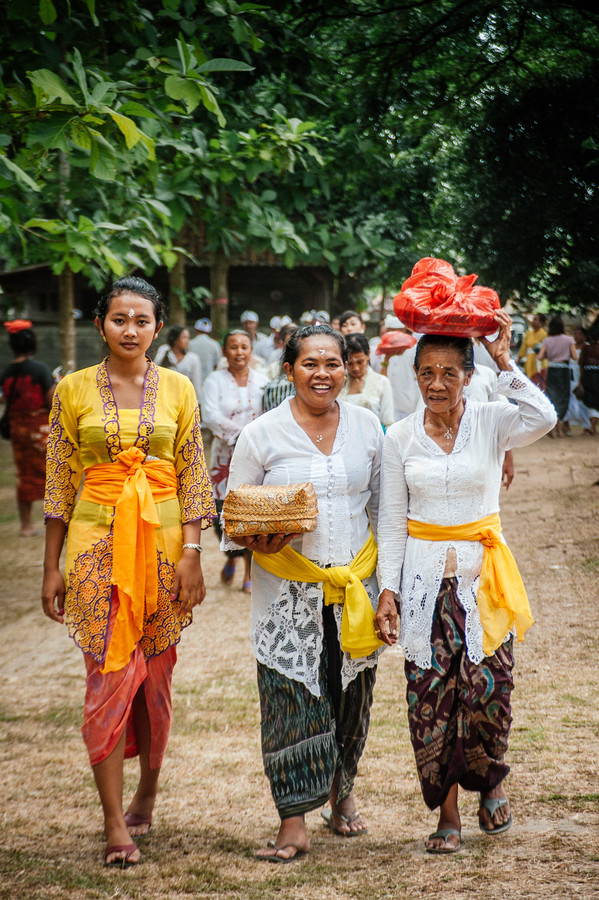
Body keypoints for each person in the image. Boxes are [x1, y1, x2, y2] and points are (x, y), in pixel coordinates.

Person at [41, 276, 215, 868]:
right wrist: (50, 568)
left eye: (142, 320)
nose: (131, 330)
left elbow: (193, 475)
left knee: (154, 682)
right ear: (100, 325)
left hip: (164, 551)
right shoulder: (71, 390)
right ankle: (114, 822)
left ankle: (148, 790)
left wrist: (192, 552)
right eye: (120, 319)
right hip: (94, 549)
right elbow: (60, 483)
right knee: (108, 677)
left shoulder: (179, 388)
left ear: (157, 327)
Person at [375, 309, 556, 854]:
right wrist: (388, 591)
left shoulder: (491, 421)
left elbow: (544, 416)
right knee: (431, 699)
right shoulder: (400, 437)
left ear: (469, 377)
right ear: (414, 375)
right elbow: (392, 521)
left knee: (489, 691)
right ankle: (447, 812)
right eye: (426, 373)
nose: (436, 384)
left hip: (483, 581)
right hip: (423, 584)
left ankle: (491, 782)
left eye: (449, 373)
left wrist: (504, 360)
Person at [223, 324, 384, 862]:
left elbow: (383, 509)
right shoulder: (261, 434)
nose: (323, 373)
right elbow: (233, 517)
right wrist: (256, 538)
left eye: (332, 363)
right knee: (290, 698)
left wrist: (388, 589)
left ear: (346, 368)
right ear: (289, 369)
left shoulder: (367, 426)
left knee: (351, 696)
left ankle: (342, 792)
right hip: (287, 592)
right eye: (310, 363)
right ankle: (292, 821)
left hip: (355, 585)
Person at [202, 330, 269, 591]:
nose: (239, 352)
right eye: (233, 347)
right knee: (222, 513)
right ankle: (231, 556)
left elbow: (270, 413)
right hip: (224, 458)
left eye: (244, 347)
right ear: (224, 351)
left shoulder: (263, 381)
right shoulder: (214, 380)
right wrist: (241, 435)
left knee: (254, 511)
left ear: (251, 350)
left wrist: (255, 438)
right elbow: (210, 414)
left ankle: (249, 571)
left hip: (258, 455)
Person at [1, 320, 55, 536]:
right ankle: (57, 521)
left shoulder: (7, 371)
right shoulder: (40, 369)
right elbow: (52, 402)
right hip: (40, 430)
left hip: (18, 429)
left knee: (24, 475)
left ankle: (26, 526)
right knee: (53, 474)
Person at [340, 333, 394, 429]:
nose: (356, 368)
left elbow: (388, 421)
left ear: (368, 355)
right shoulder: (339, 383)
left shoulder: (381, 382)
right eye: (350, 364)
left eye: (360, 362)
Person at [537, 316, 576, 437]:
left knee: (552, 397)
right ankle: (559, 429)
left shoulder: (547, 340)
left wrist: (550, 354)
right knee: (563, 397)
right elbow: (575, 356)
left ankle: (553, 428)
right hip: (563, 370)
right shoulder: (569, 340)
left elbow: (540, 357)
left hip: (552, 370)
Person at [154, 325, 203, 404]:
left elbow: (196, 384)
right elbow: (155, 377)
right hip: (164, 400)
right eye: (184, 338)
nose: (187, 341)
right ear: (175, 339)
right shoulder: (163, 353)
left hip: (184, 401)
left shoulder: (192, 359)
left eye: (188, 338)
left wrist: (197, 403)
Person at [578, 320, 599, 434]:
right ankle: (593, 426)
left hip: (587, 376)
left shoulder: (586, 348)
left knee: (589, 400)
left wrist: (581, 380)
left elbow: (581, 364)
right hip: (596, 377)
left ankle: (590, 426)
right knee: (596, 401)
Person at [516, 313, 548, 386]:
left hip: (539, 362)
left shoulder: (544, 334)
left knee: (539, 382)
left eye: (535, 320)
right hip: (529, 361)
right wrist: (518, 361)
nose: (533, 322)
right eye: (533, 319)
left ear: (541, 323)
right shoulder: (528, 333)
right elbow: (523, 348)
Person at [188, 318, 222, 382]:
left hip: (192, 380)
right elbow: (218, 363)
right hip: (210, 379)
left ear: (196, 330)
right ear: (209, 331)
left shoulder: (189, 344)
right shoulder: (214, 344)